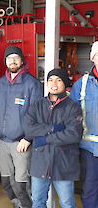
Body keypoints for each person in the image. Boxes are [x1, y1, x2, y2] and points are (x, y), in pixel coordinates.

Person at [24, 68, 83, 208]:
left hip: (64, 162)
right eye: (50, 80)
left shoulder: (73, 107)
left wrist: (45, 138)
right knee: (38, 202)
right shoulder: (37, 105)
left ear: (65, 84)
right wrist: (53, 129)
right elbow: (28, 128)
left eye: (58, 80)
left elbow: (74, 134)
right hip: (40, 162)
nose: (54, 83)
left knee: (67, 203)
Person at [0, 46, 42, 208]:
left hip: (21, 143)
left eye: (16, 58)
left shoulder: (32, 83)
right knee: (6, 182)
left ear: (22, 60)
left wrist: (28, 138)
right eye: (9, 58)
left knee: (22, 184)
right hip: (3, 142)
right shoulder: (0, 84)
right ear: (5, 61)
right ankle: (18, 204)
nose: (12, 61)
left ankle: (26, 205)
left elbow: (37, 113)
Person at [70, 41, 98, 208]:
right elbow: (72, 115)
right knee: (90, 188)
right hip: (89, 149)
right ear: (93, 58)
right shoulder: (82, 84)